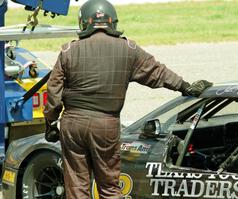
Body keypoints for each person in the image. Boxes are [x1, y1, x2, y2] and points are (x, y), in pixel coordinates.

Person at [43, 0, 212, 198]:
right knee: (109, 187)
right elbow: (157, 72)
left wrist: (51, 123)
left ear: (83, 23)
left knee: (77, 188)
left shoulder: (68, 51)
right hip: (106, 125)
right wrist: (185, 86)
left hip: (73, 125)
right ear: (112, 22)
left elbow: (53, 93)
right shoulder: (128, 49)